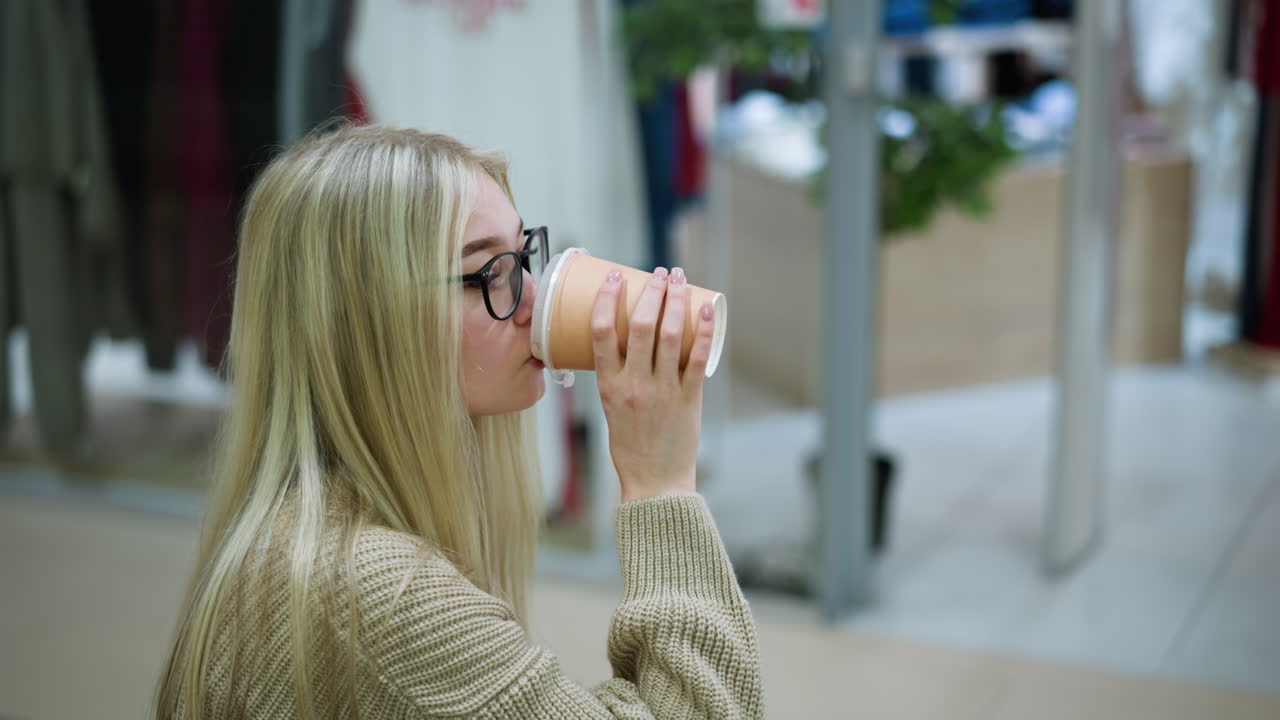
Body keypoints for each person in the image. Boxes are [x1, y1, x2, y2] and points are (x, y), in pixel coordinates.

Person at [156, 124, 763, 719]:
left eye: (522, 258)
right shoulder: (377, 599)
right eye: (488, 273)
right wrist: (659, 481)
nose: (532, 299)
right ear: (372, 321)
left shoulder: (321, 549)